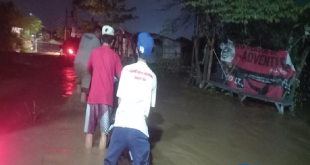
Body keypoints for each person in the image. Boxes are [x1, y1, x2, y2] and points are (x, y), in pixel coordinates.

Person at [104, 32, 157, 165]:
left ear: (136, 50)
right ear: (150, 54)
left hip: (120, 126)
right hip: (139, 130)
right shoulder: (153, 77)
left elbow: (120, 101)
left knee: (110, 162)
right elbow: (147, 111)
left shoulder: (126, 70)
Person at [84, 25, 123, 150]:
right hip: (107, 100)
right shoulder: (115, 56)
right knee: (104, 134)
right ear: (112, 41)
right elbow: (122, 76)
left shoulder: (94, 52)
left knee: (89, 132)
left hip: (93, 98)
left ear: (101, 40)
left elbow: (88, 68)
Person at [74, 25, 102, 103]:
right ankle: (81, 107)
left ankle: (74, 100)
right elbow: (99, 55)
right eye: (100, 34)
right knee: (85, 87)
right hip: (86, 65)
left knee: (78, 82)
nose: (100, 36)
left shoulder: (84, 36)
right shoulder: (96, 40)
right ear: (97, 32)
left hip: (76, 62)